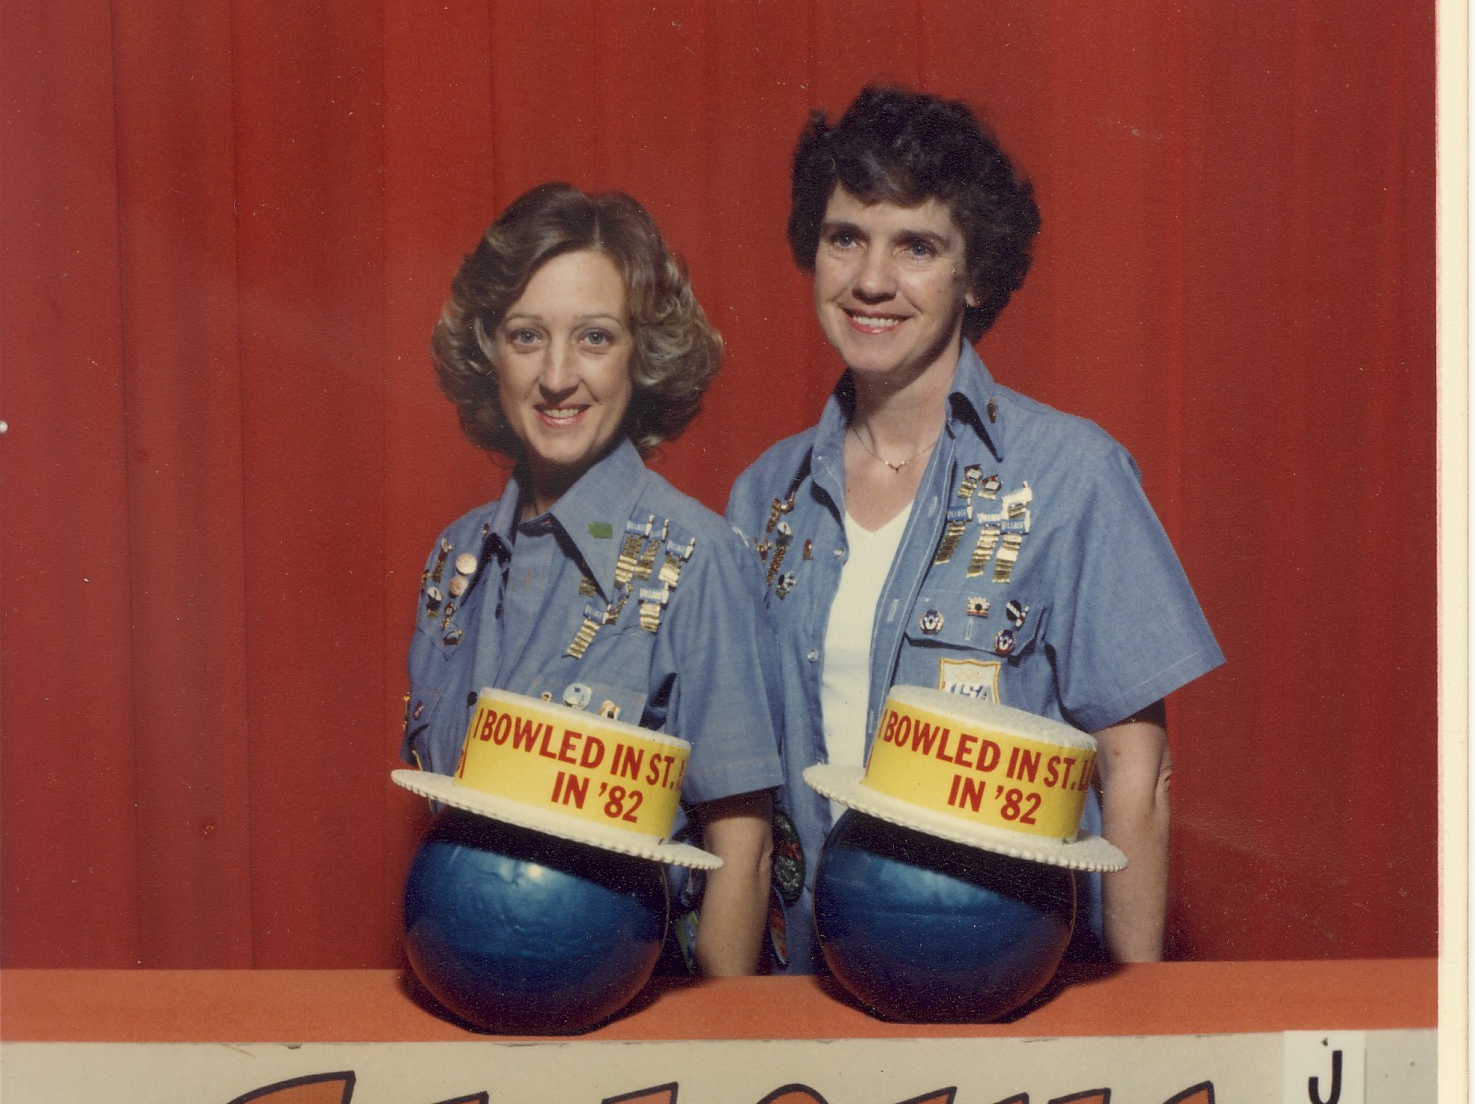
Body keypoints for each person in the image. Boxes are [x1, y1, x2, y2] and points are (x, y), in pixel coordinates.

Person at [727, 86, 1223, 974]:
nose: (870, 281)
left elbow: (1136, 777)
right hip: (804, 983)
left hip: (1007, 987)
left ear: (976, 274)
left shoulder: (1072, 475)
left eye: (916, 246)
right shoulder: (764, 493)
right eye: (845, 238)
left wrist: (1141, 1016)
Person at [404, 182, 778, 976]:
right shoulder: (455, 557)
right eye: (526, 335)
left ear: (642, 354)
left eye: (594, 338)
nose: (556, 376)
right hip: (461, 997)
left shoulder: (699, 558)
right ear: (489, 352)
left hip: (633, 1017)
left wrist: (719, 1040)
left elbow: (741, 852)